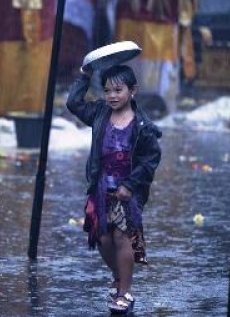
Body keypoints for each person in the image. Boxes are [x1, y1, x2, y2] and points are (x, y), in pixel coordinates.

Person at [66, 64, 162, 315]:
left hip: (128, 191)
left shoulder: (143, 126)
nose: (112, 96)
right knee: (103, 237)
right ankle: (119, 275)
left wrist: (131, 185)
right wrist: (85, 76)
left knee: (122, 236)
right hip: (101, 187)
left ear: (133, 91)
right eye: (107, 90)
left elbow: (151, 159)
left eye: (118, 90)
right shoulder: (99, 113)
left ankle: (125, 292)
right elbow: (74, 103)